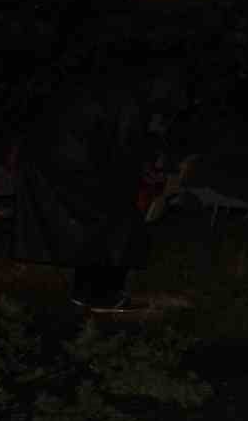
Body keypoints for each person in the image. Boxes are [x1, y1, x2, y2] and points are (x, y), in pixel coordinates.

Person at [11, 72, 165, 310]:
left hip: (48, 159)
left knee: (96, 224)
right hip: (66, 163)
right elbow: (124, 150)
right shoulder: (130, 99)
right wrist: (140, 175)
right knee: (118, 223)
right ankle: (103, 295)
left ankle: (85, 291)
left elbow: (116, 145)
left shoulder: (104, 88)